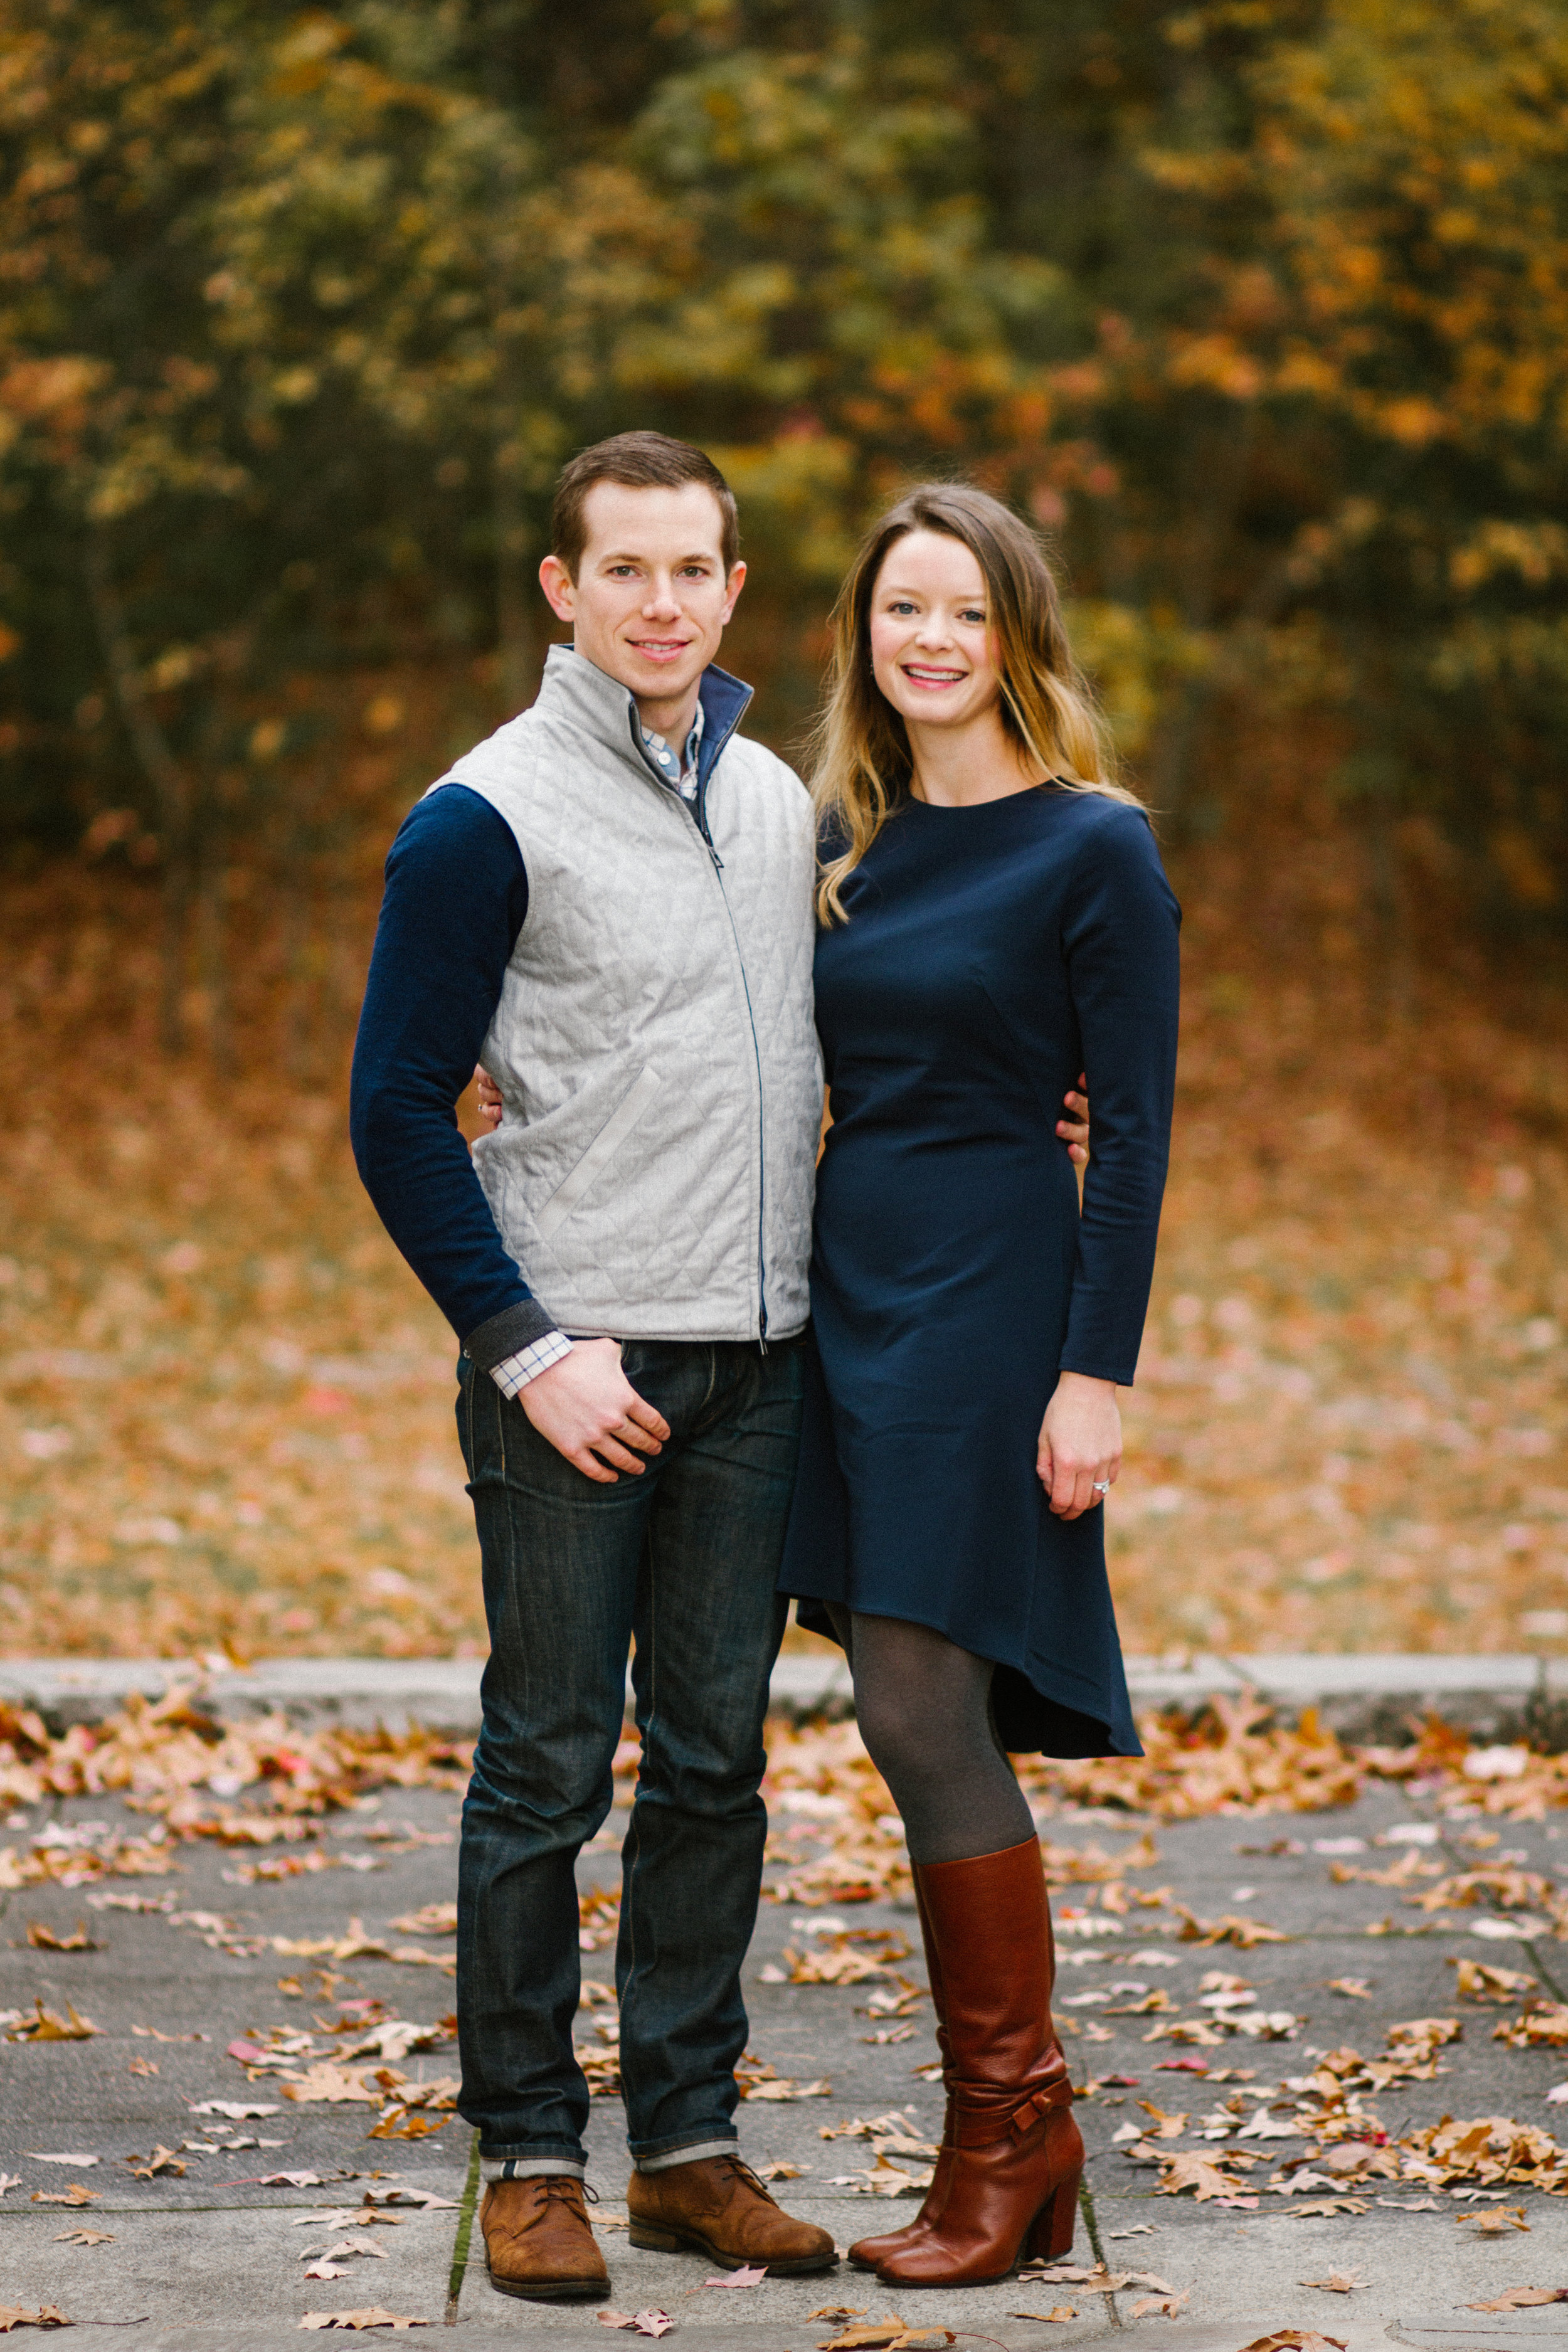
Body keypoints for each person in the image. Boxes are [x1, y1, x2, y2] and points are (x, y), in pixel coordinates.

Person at [349, 432, 838, 2301]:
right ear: (560, 588)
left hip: (757, 1361)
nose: (658, 601)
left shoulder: (780, 800)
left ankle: (690, 2149)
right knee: (547, 1771)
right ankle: (534, 2156)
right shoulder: (480, 813)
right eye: (620, 569)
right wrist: (527, 1348)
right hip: (573, 1374)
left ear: (732, 587)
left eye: (690, 569)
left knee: (715, 1766)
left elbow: (812, 1050)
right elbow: (395, 1109)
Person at [777, 483, 1181, 2287]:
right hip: (835, 1288)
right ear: (864, 638)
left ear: (1017, 634)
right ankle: (1010, 2145)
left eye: (961, 611)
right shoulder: (832, 842)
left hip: (990, 1303)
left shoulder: (1094, 847)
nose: (926, 640)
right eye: (896, 612)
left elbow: (1137, 1131)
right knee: (889, 1691)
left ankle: (1011, 2139)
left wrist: (1093, 1372)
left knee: (922, 1706)